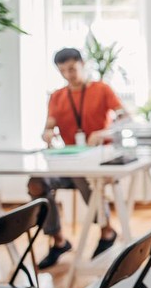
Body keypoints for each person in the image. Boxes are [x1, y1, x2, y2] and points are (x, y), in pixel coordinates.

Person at [30, 48, 125, 269]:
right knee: (37, 183)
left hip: (96, 160)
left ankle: (106, 232)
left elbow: (125, 117)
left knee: (83, 175)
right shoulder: (57, 96)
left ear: (83, 64)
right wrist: (47, 134)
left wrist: (104, 132)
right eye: (62, 70)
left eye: (71, 68)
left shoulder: (102, 89)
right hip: (68, 160)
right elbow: (49, 126)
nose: (67, 74)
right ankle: (58, 241)